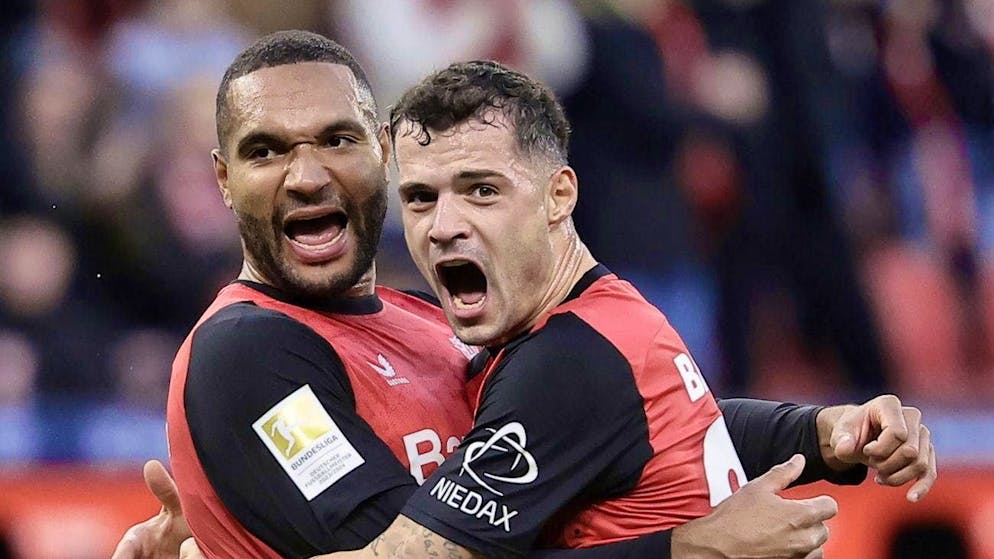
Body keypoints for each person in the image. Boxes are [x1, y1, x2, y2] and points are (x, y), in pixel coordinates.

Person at [114, 32, 936, 559]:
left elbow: (603, 428)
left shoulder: (453, 324)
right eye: (265, 151)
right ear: (223, 180)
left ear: (378, 156)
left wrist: (818, 431)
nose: (306, 174)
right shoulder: (248, 355)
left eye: (338, 139)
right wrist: (686, 549)